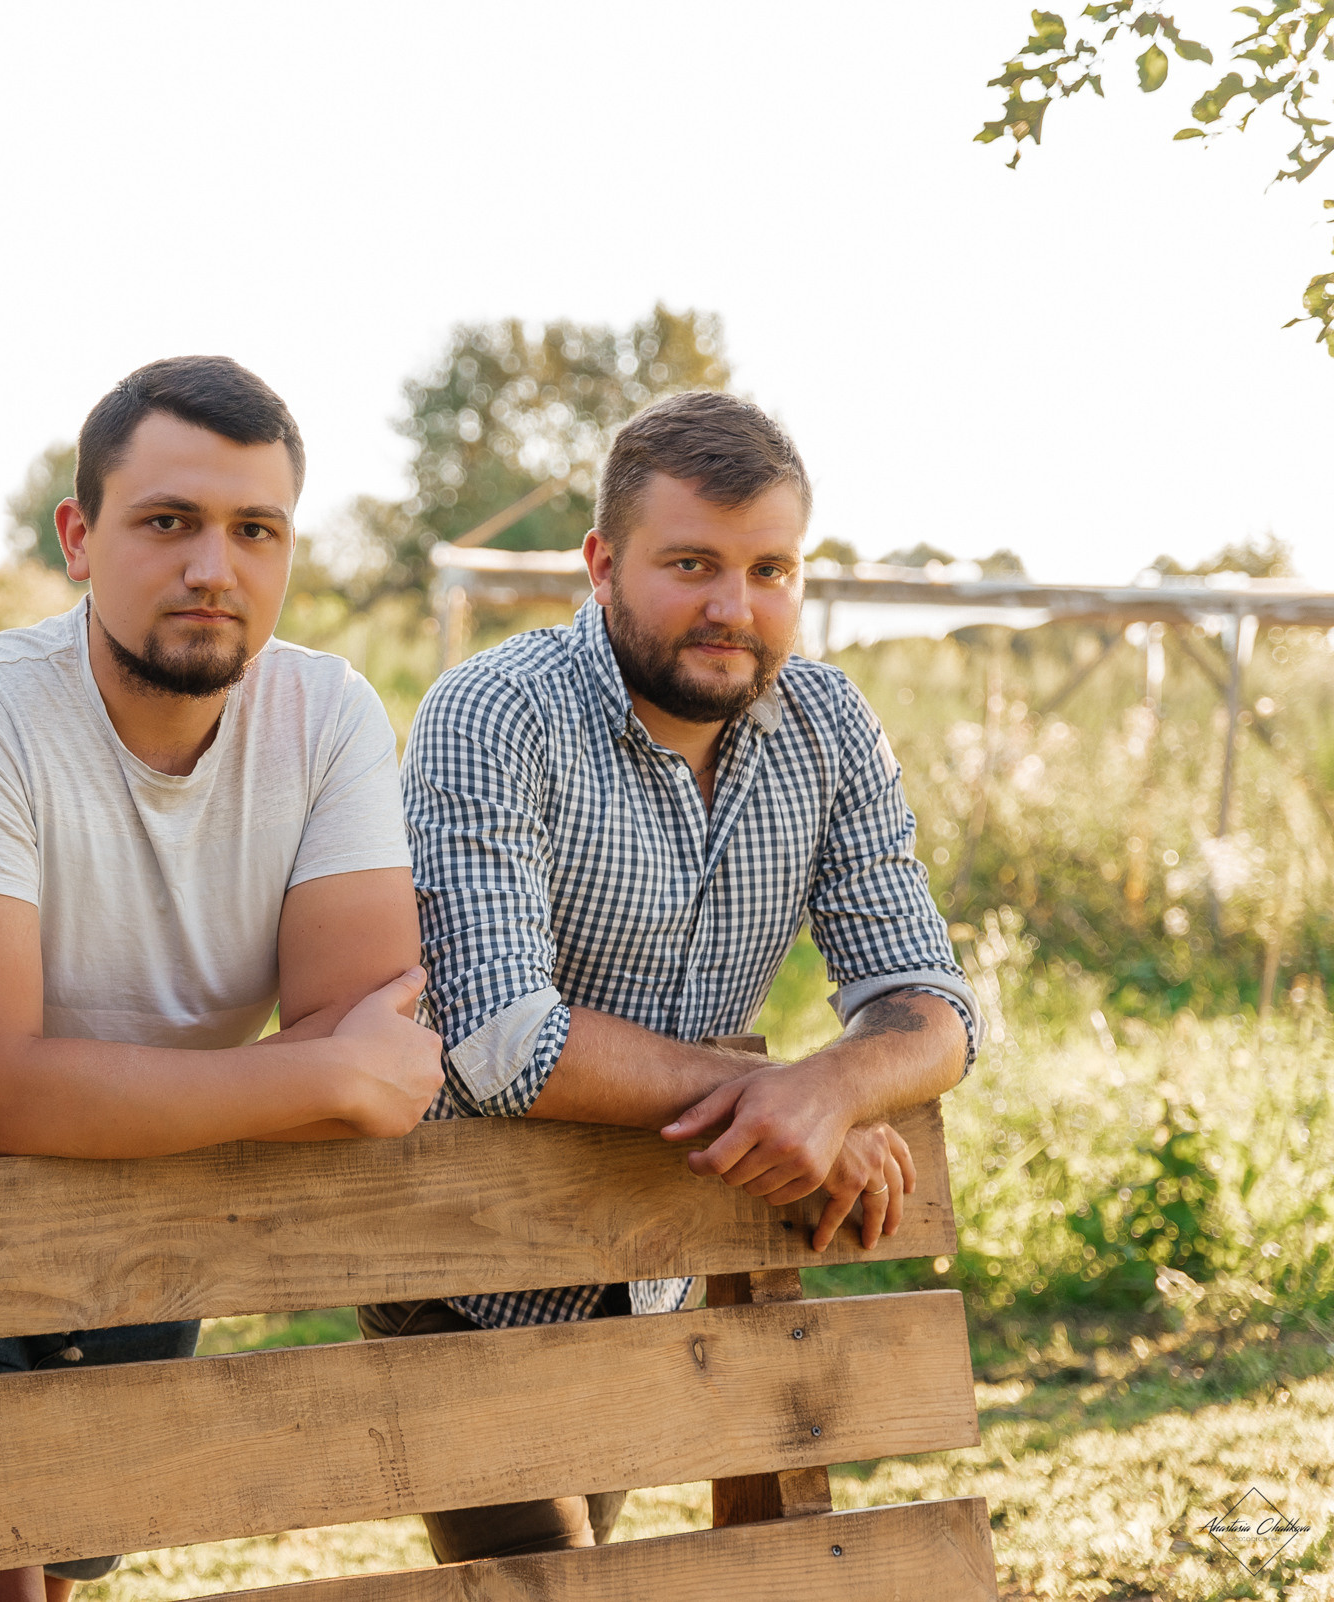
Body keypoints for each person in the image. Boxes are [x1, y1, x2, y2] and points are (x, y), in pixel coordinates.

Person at [0, 355, 444, 1602]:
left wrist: (323, 1068)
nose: (212, 568)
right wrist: (316, 1073)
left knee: (71, 1553)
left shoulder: (327, 717)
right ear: (80, 535)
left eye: (253, 530)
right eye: (167, 522)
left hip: (160, 1203)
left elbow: (366, 1043)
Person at [378, 389, 979, 1560]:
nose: (734, 607)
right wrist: (783, 1098)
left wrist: (831, 1091)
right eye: (692, 563)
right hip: (464, 1248)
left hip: (659, 1251)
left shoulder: (827, 724)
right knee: (548, 1581)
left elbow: (931, 1004)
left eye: (771, 569)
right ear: (602, 562)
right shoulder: (494, 713)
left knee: (595, 1568)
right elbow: (501, 1041)